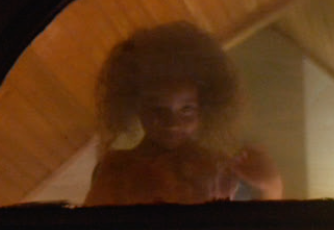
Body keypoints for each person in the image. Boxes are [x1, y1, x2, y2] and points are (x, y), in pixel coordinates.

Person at [83, 21, 283, 206]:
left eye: (186, 109)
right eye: (158, 109)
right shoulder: (115, 171)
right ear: (136, 105)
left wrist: (271, 184)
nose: (172, 123)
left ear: (205, 106)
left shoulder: (220, 169)